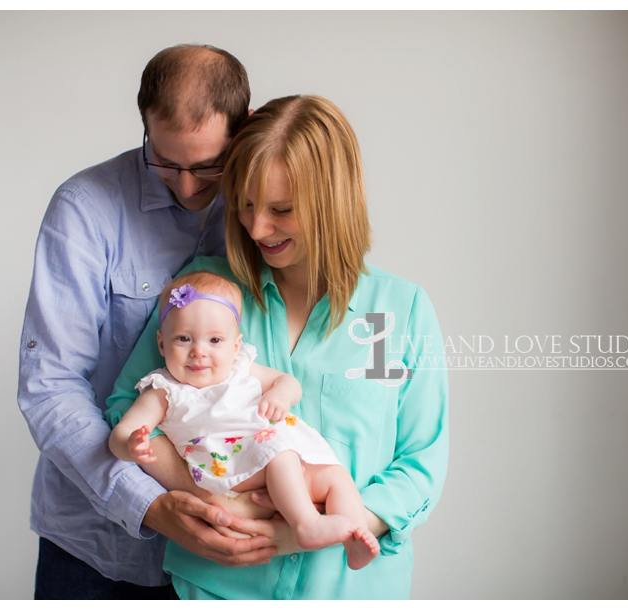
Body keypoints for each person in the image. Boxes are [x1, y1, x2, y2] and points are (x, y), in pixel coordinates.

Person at [105, 94, 449, 599]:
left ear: (333, 200)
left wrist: (296, 533)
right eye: (245, 203)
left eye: (281, 210)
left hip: (349, 591)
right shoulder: (204, 295)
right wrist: (204, 494)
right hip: (217, 587)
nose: (256, 227)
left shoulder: (397, 312)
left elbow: (420, 464)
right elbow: (127, 409)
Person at [17, 44, 276, 600]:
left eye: (208, 164)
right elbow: (49, 387)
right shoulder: (84, 209)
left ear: (245, 127)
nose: (186, 187)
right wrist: (153, 505)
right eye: (165, 161)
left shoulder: (268, 209)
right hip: (98, 550)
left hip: (235, 566)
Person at [109, 271, 380, 570]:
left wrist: (281, 394)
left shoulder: (242, 368)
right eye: (184, 338)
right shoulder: (165, 390)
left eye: (215, 340)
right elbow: (123, 430)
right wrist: (129, 446)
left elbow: (289, 382)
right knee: (280, 453)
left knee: (334, 477)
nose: (199, 351)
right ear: (161, 344)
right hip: (227, 464)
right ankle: (306, 524)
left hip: (276, 455)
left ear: (235, 346)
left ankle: (355, 538)